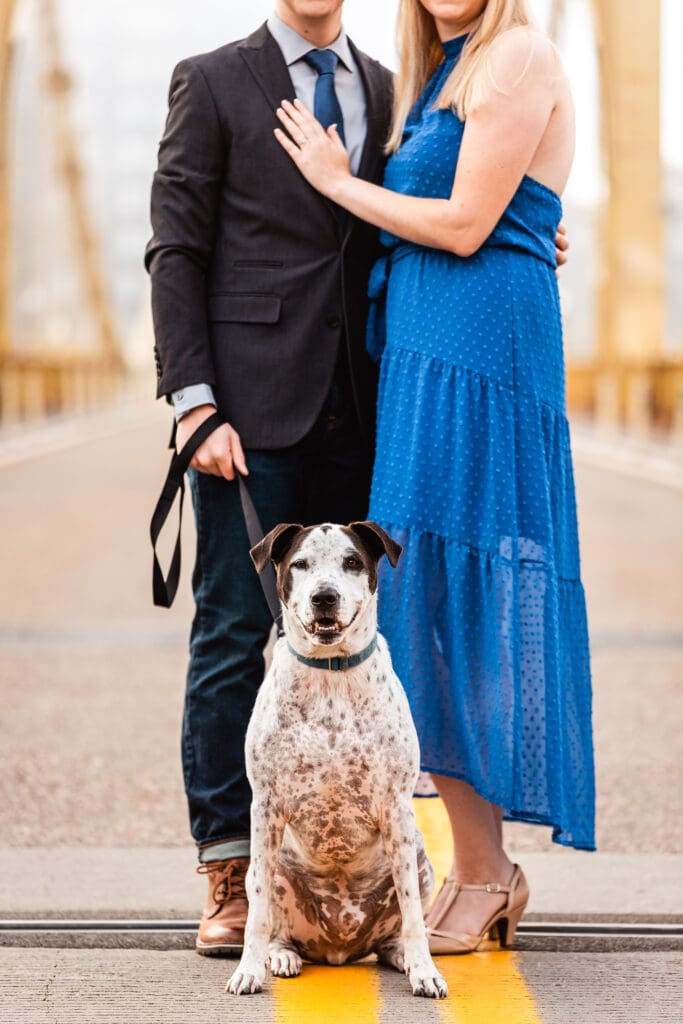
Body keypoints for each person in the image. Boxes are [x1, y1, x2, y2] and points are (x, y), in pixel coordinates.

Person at [274, 0, 594, 955]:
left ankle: (487, 873)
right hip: (424, 360)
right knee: (429, 605)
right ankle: (474, 865)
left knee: (471, 599)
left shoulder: (515, 55)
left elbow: (460, 225)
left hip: (480, 362)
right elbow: (486, 209)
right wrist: (529, 224)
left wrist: (335, 180)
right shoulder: (437, 75)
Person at [145, 0, 394, 954]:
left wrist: (527, 234)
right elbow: (176, 246)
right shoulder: (209, 79)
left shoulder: (384, 84)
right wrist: (194, 401)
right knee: (234, 634)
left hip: (364, 409)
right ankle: (225, 872)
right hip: (247, 416)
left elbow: (402, 218)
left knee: (352, 651)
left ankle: (341, 877)